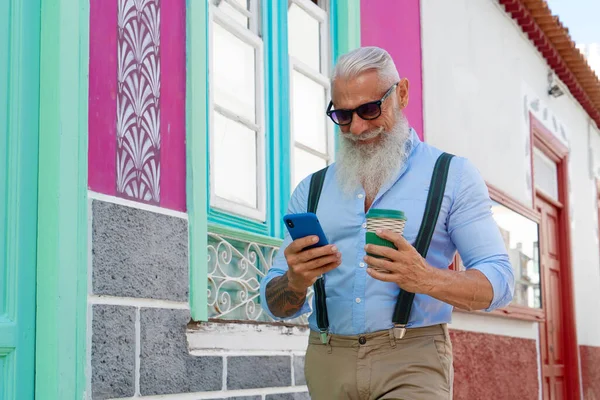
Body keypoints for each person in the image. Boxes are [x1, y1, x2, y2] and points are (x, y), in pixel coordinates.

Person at [259, 46, 514, 400]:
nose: (357, 127)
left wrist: (426, 278)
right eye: (344, 116)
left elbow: (500, 282)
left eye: (369, 109)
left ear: (402, 94)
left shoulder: (452, 176)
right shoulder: (311, 190)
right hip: (327, 359)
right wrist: (295, 280)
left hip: (413, 358)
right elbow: (275, 304)